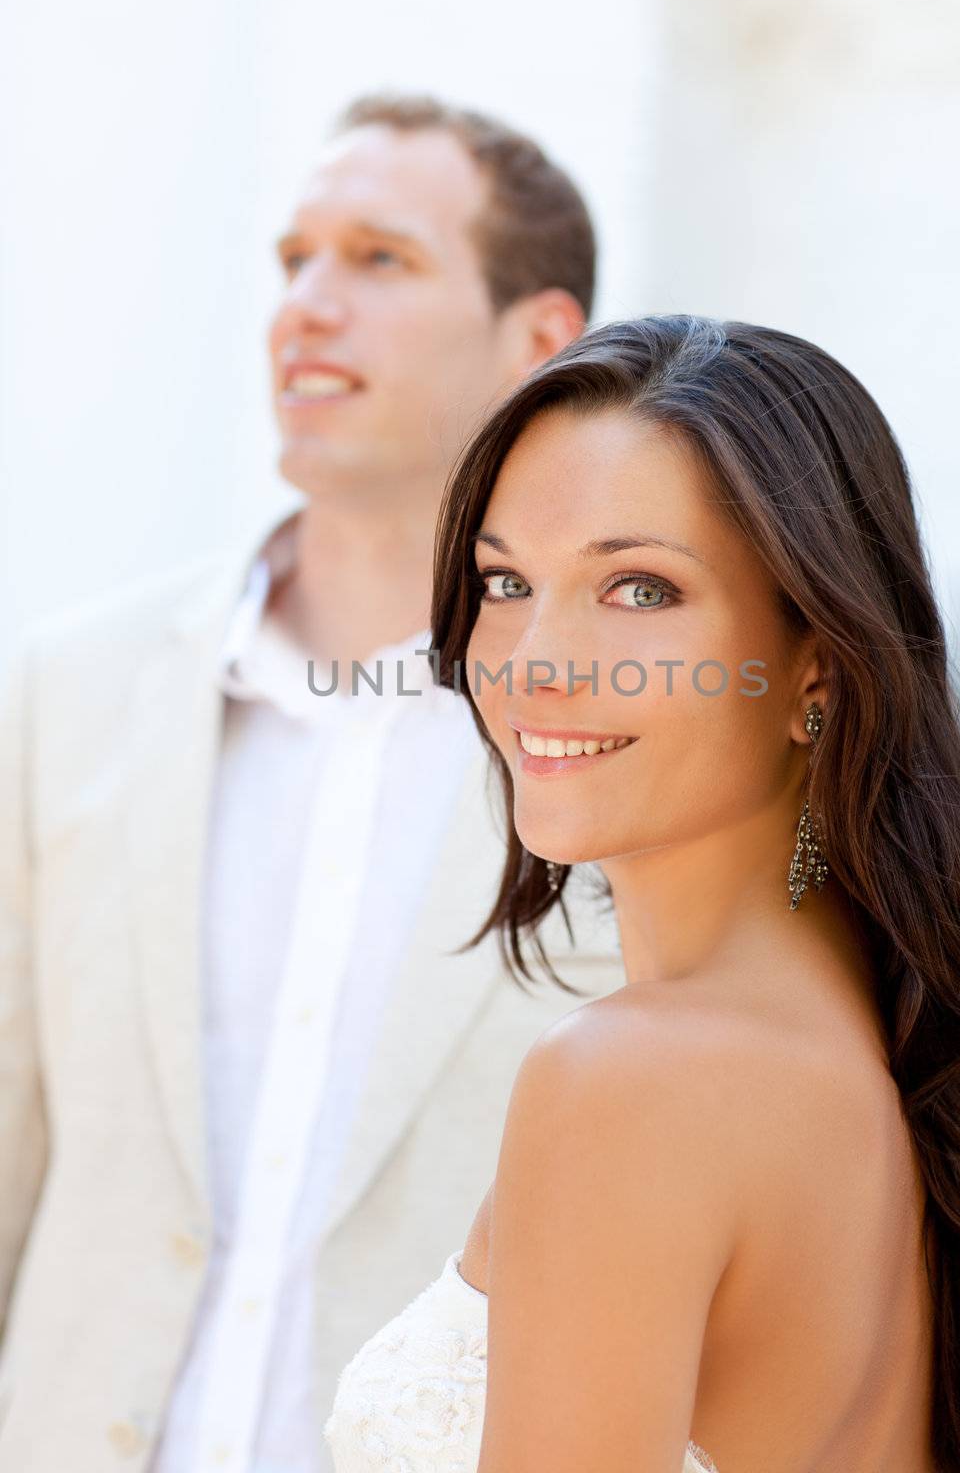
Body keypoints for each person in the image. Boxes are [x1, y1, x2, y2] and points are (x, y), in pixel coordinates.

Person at [0, 95, 626, 1473]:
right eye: (293, 261)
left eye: (378, 260)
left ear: (540, 340)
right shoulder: (72, 686)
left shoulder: (635, 730)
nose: (306, 306)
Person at [326, 315, 960, 1473]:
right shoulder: (892, 1058)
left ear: (813, 671)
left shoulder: (627, 1086)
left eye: (636, 590)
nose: (531, 660)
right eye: (506, 580)